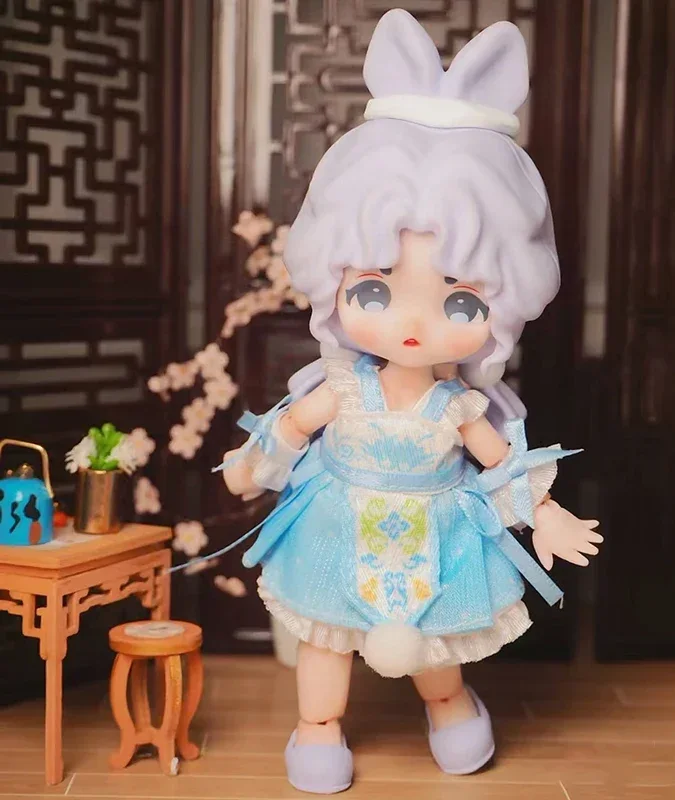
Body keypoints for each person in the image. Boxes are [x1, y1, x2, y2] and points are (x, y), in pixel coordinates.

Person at [219, 9, 602, 794]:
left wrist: (545, 512)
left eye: (461, 303)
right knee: (326, 640)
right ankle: (317, 726)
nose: (414, 323)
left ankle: (450, 709)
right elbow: (293, 426)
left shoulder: (458, 404)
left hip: (437, 530)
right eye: (374, 290)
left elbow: (498, 461)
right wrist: (253, 462)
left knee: (434, 645)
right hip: (337, 525)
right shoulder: (342, 388)